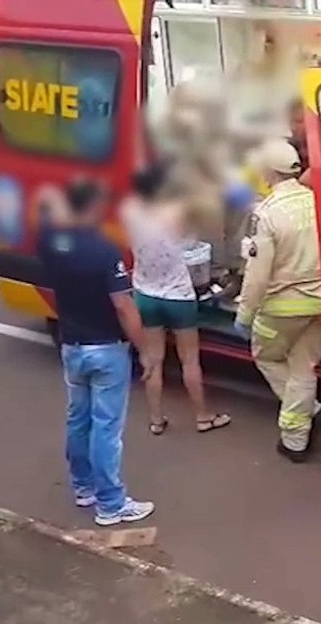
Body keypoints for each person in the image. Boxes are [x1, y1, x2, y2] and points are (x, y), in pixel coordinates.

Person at [36, 177, 156, 526]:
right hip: (106, 349)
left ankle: (83, 487)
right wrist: (145, 351)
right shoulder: (103, 250)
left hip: (72, 346)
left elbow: (45, 206)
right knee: (106, 428)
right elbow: (124, 307)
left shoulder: (49, 238)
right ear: (91, 207)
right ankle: (111, 504)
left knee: (78, 418)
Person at [120, 161, 232, 436]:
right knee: (190, 360)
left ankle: (157, 419)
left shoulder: (129, 211)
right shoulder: (176, 213)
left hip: (146, 292)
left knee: (154, 360)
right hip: (179, 295)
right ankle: (203, 416)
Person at [235, 138, 321, 463]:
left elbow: (258, 275)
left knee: (267, 357)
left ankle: (298, 423)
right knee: (305, 367)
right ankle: (299, 429)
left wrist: (245, 313)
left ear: (269, 172)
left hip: (281, 308)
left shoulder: (268, 214)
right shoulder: (319, 202)